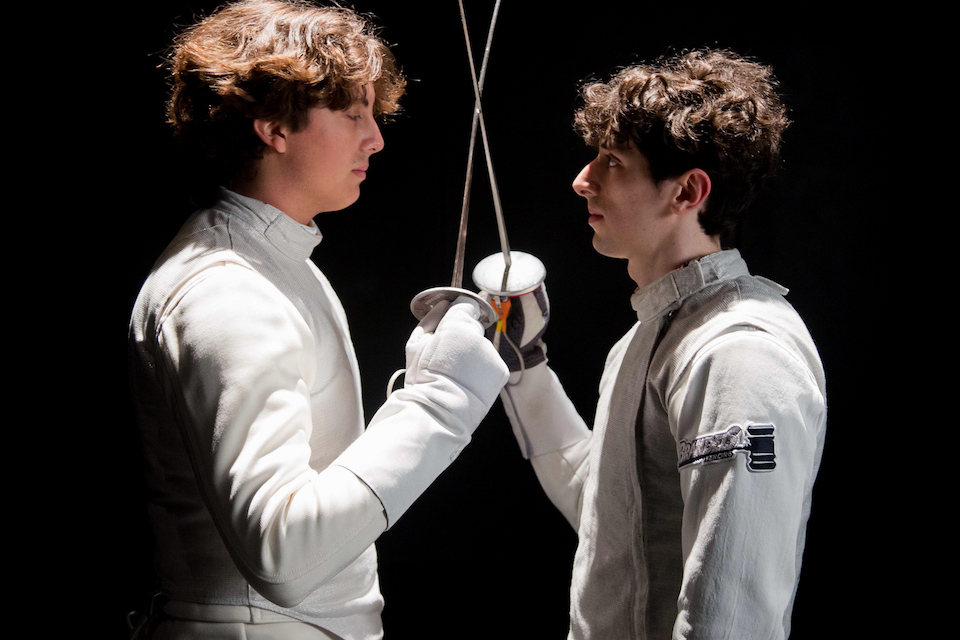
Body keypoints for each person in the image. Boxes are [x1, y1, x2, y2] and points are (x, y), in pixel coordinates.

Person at [127, 1, 509, 638]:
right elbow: (284, 554)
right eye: (352, 112)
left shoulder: (271, 262)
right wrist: (440, 401)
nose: (376, 138)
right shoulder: (227, 290)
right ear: (274, 125)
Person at [485, 49, 826, 639]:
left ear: (687, 192)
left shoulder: (739, 352)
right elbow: (609, 511)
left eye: (612, 161)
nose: (582, 179)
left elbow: (732, 612)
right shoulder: (650, 338)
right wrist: (524, 365)